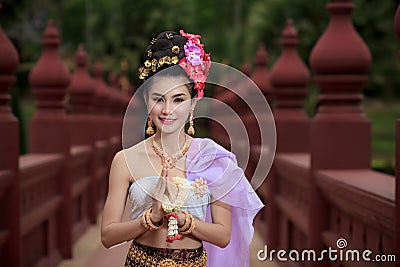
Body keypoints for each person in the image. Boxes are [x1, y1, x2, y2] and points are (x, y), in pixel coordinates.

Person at [101, 30, 264, 267]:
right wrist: (151, 218)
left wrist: (184, 220)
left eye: (178, 100)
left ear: (193, 103)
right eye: (159, 99)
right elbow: (107, 235)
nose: (167, 110)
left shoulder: (213, 158)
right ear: (146, 100)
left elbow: (222, 235)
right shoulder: (124, 160)